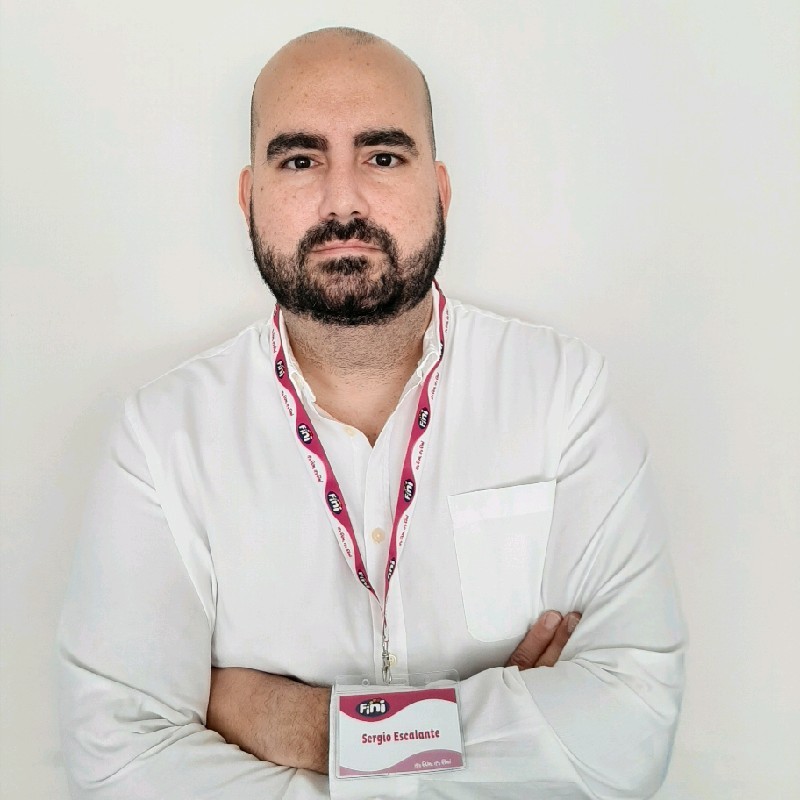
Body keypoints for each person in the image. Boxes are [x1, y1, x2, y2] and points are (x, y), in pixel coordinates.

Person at [57, 27, 686, 800]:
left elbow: (630, 727)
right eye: (300, 160)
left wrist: (297, 724)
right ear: (250, 200)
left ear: (440, 191)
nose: (344, 200)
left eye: (383, 157)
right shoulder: (162, 440)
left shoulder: (562, 396)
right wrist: (498, 733)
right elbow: (117, 763)